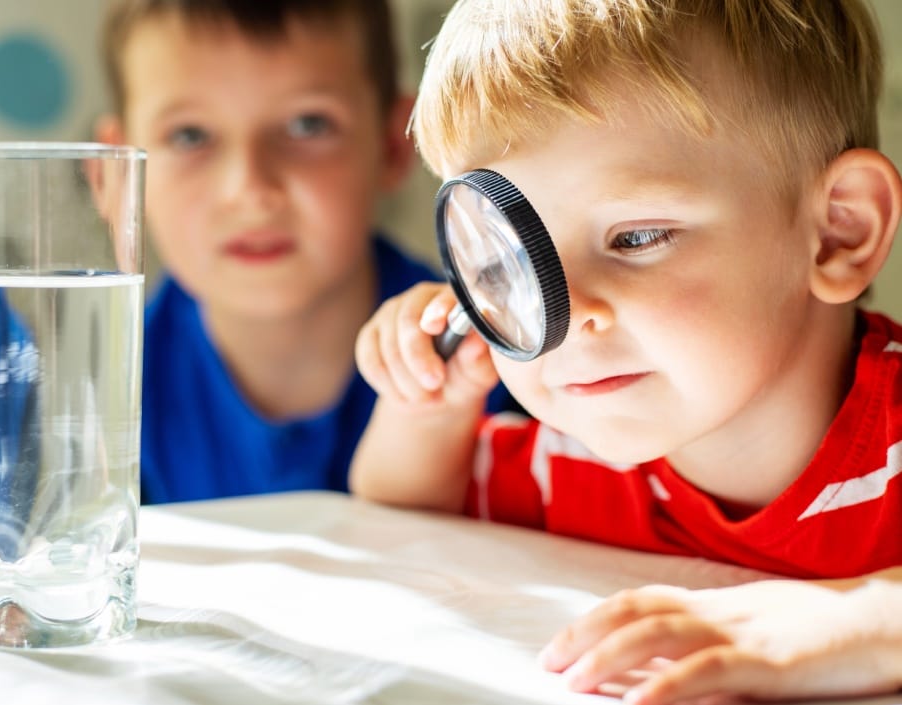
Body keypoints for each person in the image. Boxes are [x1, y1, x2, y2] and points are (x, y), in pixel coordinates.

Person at [349, 0, 902, 702]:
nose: (568, 314)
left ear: (838, 232)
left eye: (635, 238)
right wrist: (427, 404)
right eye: (509, 266)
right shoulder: (576, 456)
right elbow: (400, 516)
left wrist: (853, 620)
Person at [95, 0, 516, 504]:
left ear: (396, 143)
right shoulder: (101, 400)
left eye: (307, 126)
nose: (249, 188)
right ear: (114, 174)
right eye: (190, 136)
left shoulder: (502, 361)